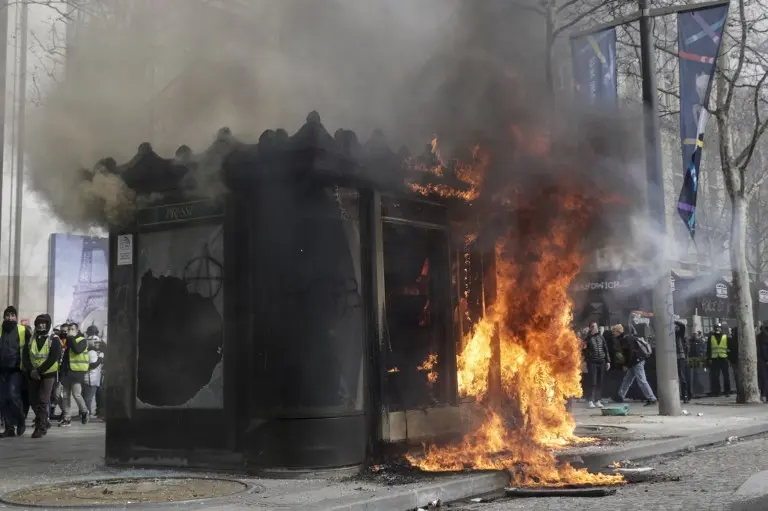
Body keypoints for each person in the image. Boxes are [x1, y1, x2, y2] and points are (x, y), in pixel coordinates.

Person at [23, 314, 61, 438]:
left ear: (48, 324)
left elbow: (53, 357)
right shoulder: (31, 339)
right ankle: (44, 420)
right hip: (33, 373)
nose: (41, 325)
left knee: (43, 400)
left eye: (44, 322)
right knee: (33, 400)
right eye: (38, 322)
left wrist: (38, 371)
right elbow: (25, 357)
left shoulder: (54, 339)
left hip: (48, 374)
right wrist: (31, 370)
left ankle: (41, 427)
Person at [0, 306, 32, 437]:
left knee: (13, 396)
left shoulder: (23, 330)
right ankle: (9, 428)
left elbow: (31, 349)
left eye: (12, 315)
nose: (10, 317)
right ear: (4, 317)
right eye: (7, 315)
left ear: (16, 317)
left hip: (17, 369)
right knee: (3, 400)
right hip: (1, 370)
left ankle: (20, 420)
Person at [613, 324, 658, 406]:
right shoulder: (625, 338)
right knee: (627, 379)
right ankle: (620, 396)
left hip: (637, 361)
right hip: (635, 361)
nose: (613, 333)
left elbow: (630, 353)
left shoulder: (626, 339)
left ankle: (652, 398)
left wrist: (626, 365)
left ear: (618, 331)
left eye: (614, 331)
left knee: (641, 380)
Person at [59, 322, 90, 426]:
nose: (70, 331)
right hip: (67, 373)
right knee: (65, 396)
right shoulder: (67, 341)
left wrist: (71, 338)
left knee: (76, 394)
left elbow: (77, 350)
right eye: (69, 329)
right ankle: (67, 418)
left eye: (72, 329)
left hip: (76, 373)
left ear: (77, 330)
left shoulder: (82, 341)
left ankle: (84, 411)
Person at [583, 322, 610, 408]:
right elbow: (583, 350)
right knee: (592, 381)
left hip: (601, 361)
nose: (595, 328)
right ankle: (590, 400)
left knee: (599, 382)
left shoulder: (601, 337)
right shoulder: (587, 338)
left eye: (596, 326)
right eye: (593, 327)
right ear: (590, 328)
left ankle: (598, 400)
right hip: (592, 362)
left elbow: (606, 349)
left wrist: (608, 361)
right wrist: (588, 358)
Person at [83, 326, 104, 417]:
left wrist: (100, 359)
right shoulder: (95, 343)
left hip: (92, 376)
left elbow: (93, 365)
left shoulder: (94, 341)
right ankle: (97, 412)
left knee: (88, 398)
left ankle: (87, 413)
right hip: (94, 375)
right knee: (97, 396)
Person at [707, 323, 731, 397]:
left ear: (721, 329)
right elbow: (709, 349)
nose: (717, 329)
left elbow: (729, 348)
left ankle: (727, 391)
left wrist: (729, 357)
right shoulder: (711, 337)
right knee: (715, 376)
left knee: (726, 376)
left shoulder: (725, 336)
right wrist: (709, 358)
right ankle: (717, 391)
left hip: (723, 358)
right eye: (716, 328)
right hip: (714, 359)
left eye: (719, 328)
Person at [675, 321, 690, 403]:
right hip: (676, 357)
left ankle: (685, 395)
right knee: (680, 377)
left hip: (680, 357)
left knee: (682, 377)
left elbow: (682, 326)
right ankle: (683, 395)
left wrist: (673, 321)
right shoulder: (671, 335)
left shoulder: (679, 334)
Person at [757, 322, 768, 402]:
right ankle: (764, 395)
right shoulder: (765, 336)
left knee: (763, 378)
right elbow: (764, 349)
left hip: (761, 360)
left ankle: (764, 395)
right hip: (764, 360)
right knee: (765, 378)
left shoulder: (759, 336)